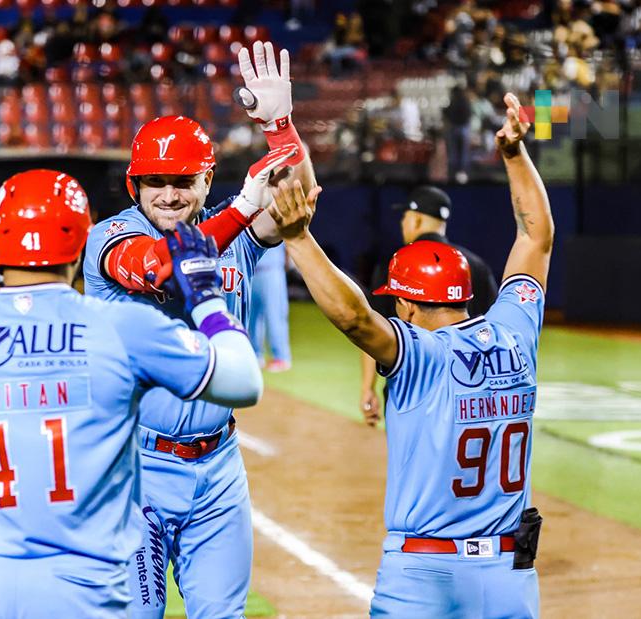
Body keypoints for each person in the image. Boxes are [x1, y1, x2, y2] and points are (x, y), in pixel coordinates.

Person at [0, 169, 263, 618]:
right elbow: (242, 381)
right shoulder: (122, 328)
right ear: (79, 244)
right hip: (85, 587)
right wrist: (207, 298)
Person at [266, 92, 550, 618]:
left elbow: (354, 318)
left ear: (408, 304)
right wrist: (514, 155)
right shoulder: (516, 331)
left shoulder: (422, 355)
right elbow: (537, 237)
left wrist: (299, 241)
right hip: (509, 578)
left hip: (426, 577)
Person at [83, 41, 317, 619]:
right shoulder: (110, 236)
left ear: (205, 179)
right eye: (154, 180)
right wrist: (241, 204)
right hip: (132, 470)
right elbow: (162, 266)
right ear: (134, 185)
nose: (168, 193)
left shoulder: (231, 230)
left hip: (218, 470)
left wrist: (281, 131)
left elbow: (300, 200)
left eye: (182, 179)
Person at [360, 185, 498, 421]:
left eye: (404, 217)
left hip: (412, 394)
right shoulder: (474, 265)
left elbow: (373, 331)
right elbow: (494, 332)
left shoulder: (397, 265)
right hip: (471, 395)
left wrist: (367, 388)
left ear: (415, 220)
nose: (402, 223)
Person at [249, 244, 292, 372]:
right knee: (251, 316)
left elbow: (289, 241)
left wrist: (286, 264)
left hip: (271, 270)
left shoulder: (276, 223)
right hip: (251, 270)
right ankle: (256, 354)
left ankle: (281, 357)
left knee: (275, 315)